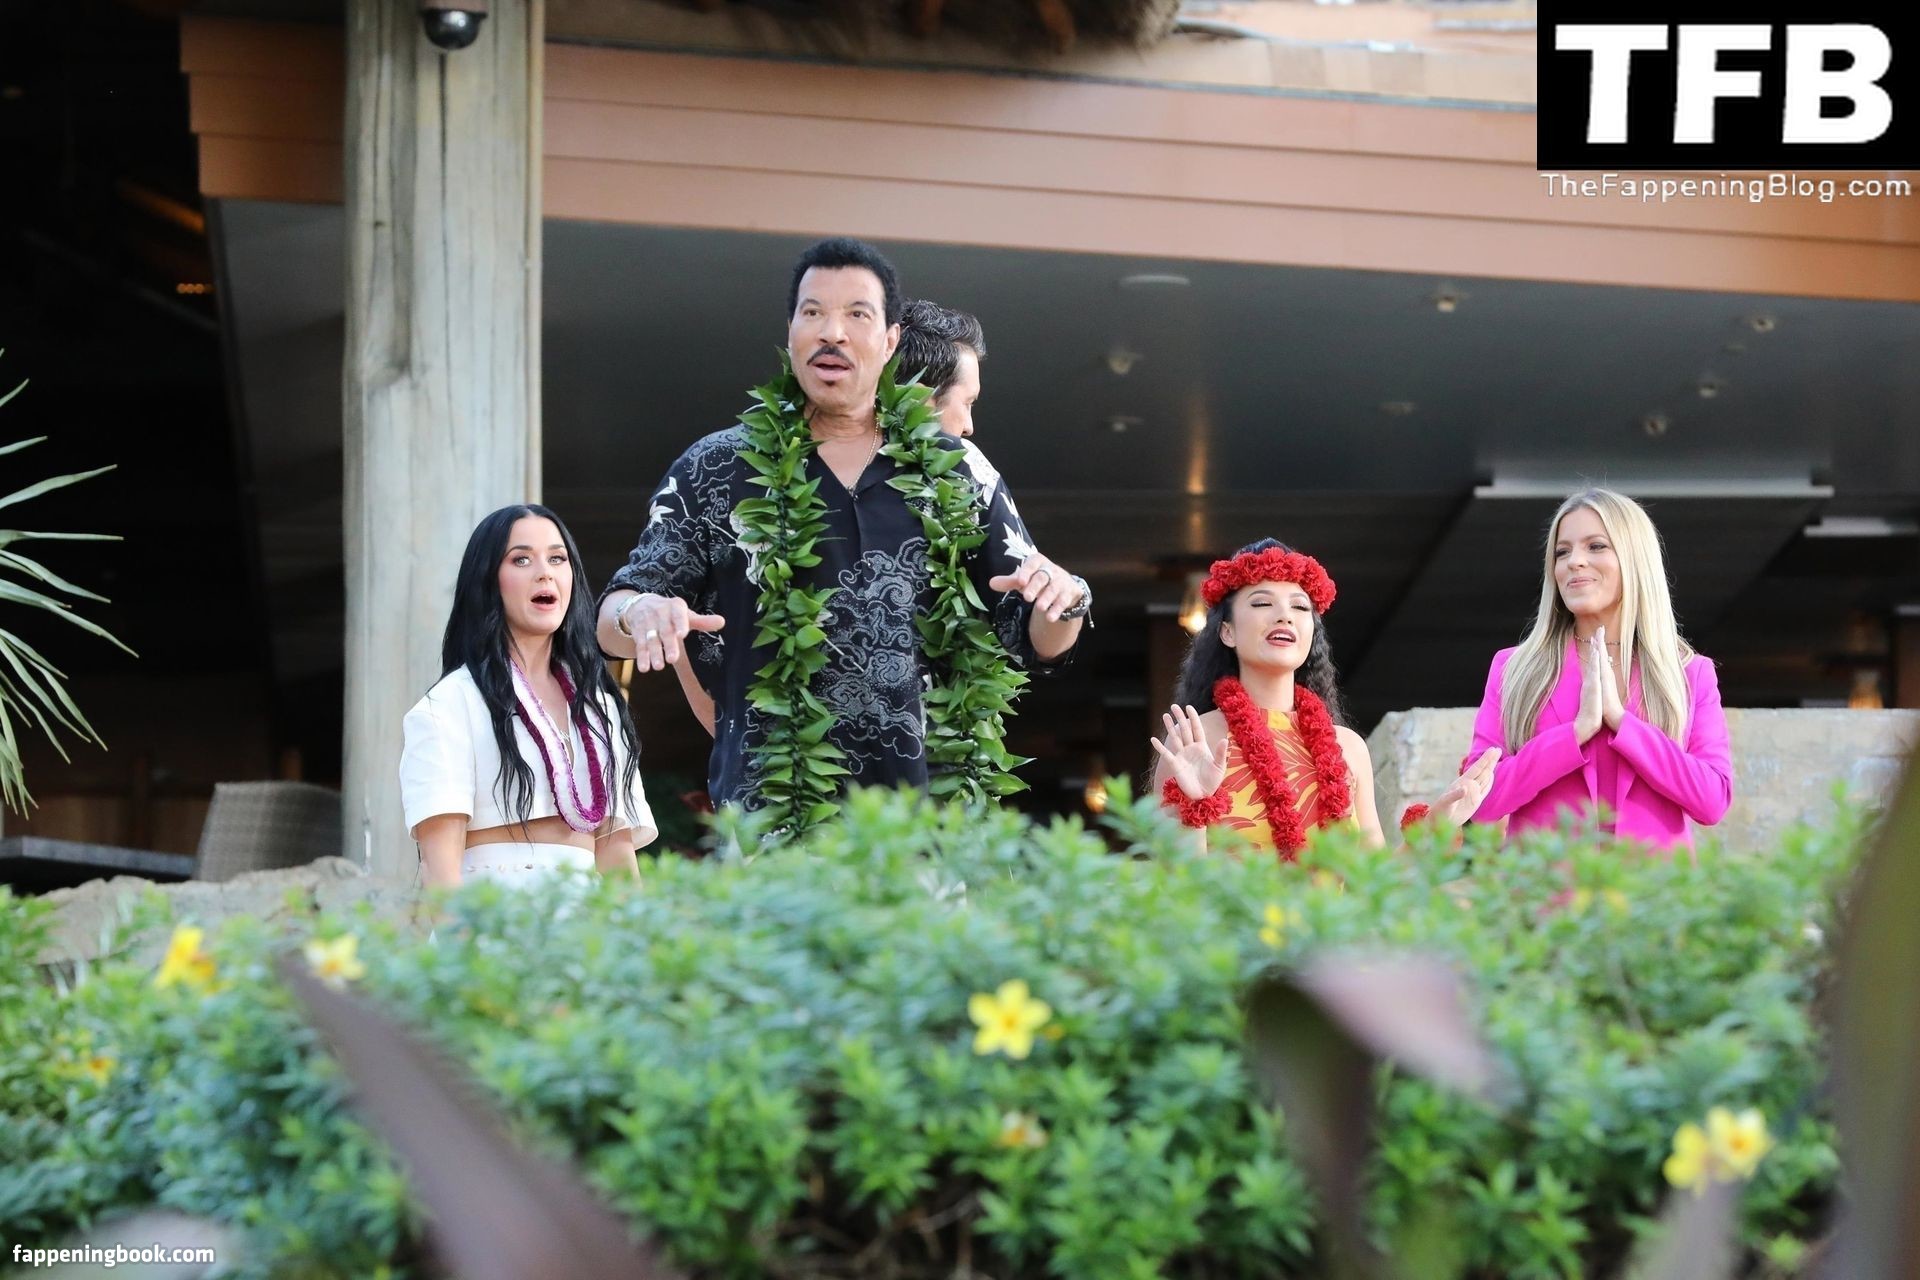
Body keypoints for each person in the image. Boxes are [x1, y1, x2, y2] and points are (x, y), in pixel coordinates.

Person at [599, 237, 1089, 827]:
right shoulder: (716, 468)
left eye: (857, 314)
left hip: (928, 835)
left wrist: (1066, 601)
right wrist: (639, 612)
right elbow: (613, 615)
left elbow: (1037, 640)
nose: (832, 332)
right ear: (790, 333)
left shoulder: (959, 471)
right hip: (773, 830)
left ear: (890, 341)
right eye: (813, 313)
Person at [667, 296, 1002, 738]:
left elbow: (1017, 621)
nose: (969, 425)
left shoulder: (971, 484)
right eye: (968, 402)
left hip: (933, 771)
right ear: (921, 399)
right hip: (783, 766)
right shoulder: (735, 476)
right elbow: (682, 614)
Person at [1151, 539, 1498, 859]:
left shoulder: (1348, 747)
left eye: (1299, 606)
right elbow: (1176, 887)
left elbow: (1376, 883)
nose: (1284, 615)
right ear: (1227, 632)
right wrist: (1192, 809)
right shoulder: (1196, 742)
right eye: (1262, 602)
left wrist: (1437, 828)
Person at [1463, 488, 1732, 850]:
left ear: (1634, 558)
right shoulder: (1513, 669)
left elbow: (1713, 801)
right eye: (1562, 552)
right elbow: (1479, 802)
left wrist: (1622, 723)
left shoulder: (1690, 673)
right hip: (1542, 883)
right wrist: (1574, 734)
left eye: (1596, 546)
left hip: (1654, 885)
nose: (1575, 561)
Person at [402, 504, 655, 888]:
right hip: (494, 910)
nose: (544, 573)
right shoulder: (449, 705)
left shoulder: (600, 708)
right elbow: (440, 875)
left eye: (557, 559)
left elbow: (618, 861)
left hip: (588, 914)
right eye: (521, 559)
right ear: (487, 579)